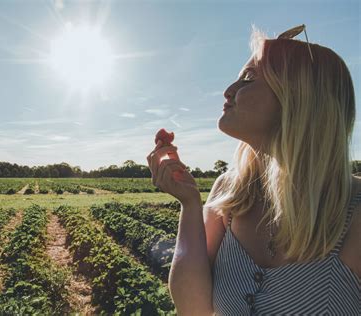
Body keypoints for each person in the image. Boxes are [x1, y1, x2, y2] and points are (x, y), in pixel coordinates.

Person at [146, 24, 360, 315]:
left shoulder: (354, 213)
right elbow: (193, 308)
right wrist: (189, 203)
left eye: (248, 78)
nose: (228, 91)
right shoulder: (230, 193)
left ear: (298, 96)